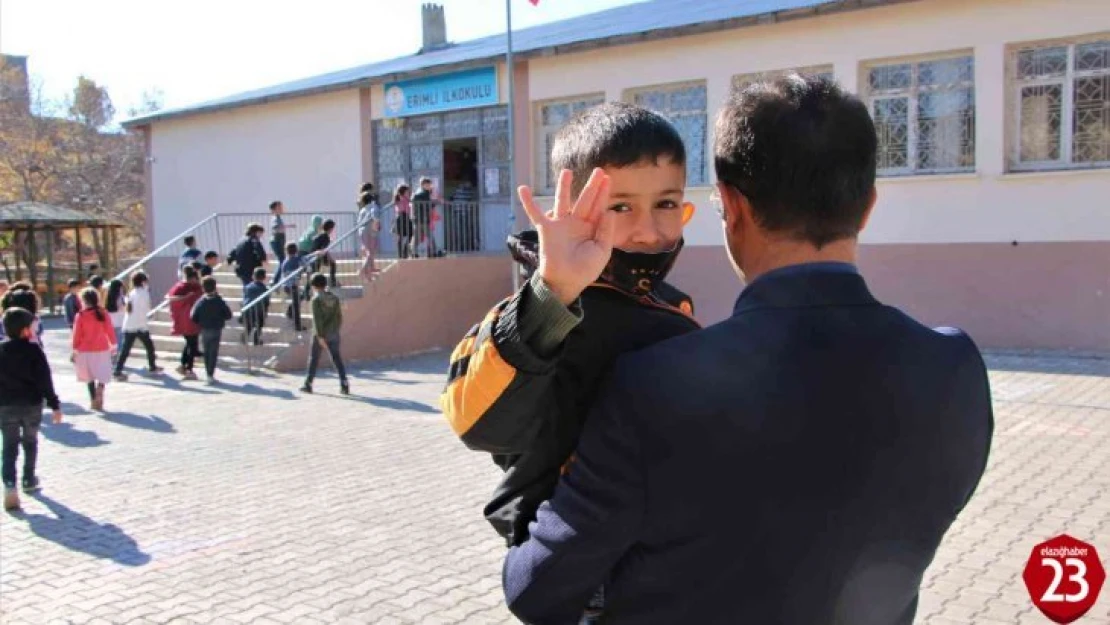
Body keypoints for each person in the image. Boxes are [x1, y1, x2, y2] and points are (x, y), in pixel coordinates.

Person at [502, 75, 995, 625]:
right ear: (868, 205)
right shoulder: (955, 371)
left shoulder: (653, 385)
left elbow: (538, 590)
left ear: (731, 206)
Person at [440, 103, 698, 621]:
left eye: (666, 202)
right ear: (571, 208)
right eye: (621, 207)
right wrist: (552, 294)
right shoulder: (540, 308)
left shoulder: (671, 304)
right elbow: (475, 422)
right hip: (585, 578)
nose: (649, 230)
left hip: (667, 563)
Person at [0, 307, 62, 511]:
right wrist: (54, 404)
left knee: (9, 446)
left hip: (6, 405)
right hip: (31, 404)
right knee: (30, 441)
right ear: (25, 330)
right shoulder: (34, 350)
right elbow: (45, 380)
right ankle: (28, 478)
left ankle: (10, 484)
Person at [300, 273, 348, 395]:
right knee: (336, 358)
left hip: (320, 333)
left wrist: (320, 336)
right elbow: (339, 316)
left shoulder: (316, 300)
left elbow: (317, 319)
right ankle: (344, 383)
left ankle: (308, 383)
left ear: (314, 286)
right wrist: (335, 329)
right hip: (333, 332)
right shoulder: (334, 298)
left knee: (314, 358)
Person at [72, 288, 117, 411]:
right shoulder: (103, 313)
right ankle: (101, 387)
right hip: (102, 348)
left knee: (89, 376)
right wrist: (113, 344)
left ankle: (93, 400)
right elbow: (110, 330)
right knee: (102, 373)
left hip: (85, 349)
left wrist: (75, 349)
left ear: (83, 300)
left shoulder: (80, 315)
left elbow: (77, 334)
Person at [113, 272, 162, 381]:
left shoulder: (132, 293)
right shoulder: (144, 293)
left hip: (129, 324)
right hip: (140, 325)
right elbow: (147, 308)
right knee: (149, 347)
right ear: (143, 282)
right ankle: (152, 367)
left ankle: (118, 370)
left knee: (125, 349)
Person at [190, 276, 232, 385]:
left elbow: (193, 316)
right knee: (213, 352)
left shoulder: (201, 301)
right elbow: (228, 315)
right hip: (216, 328)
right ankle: (210, 374)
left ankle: (208, 373)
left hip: (204, 329)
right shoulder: (219, 301)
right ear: (215, 287)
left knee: (206, 351)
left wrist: (200, 321)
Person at [166, 266, 203, 380]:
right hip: (191, 321)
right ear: (193, 278)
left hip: (181, 321)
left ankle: (183, 365)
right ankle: (189, 369)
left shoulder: (178, 287)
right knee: (192, 345)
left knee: (189, 343)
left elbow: (169, 297)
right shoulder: (194, 288)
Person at [279, 242, 306, 332]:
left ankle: (290, 311)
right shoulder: (296, 259)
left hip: (287, 285)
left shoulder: (286, 261)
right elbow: (305, 264)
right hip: (292, 286)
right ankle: (297, 325)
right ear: (296, 250)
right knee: (297, 303)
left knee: (299, 299)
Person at [241, 267, 270, 346]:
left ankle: (245, 336)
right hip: (259, 310)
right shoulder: (264, 289)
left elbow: (244, 298)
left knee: (249, 325)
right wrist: (266, 310)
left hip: (248, 309)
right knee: (259, 325)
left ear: (253, 276)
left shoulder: (247, 287)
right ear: (264, 277)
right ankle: (256, 339)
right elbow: (266, 301)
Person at [412, 177, 439, 258]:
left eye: (430, 184)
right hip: (421, 219)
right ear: (423, 185)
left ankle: (415, 252)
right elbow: (421, 204)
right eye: (427, 184)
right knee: (421, 237)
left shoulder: (427, 194)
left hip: (423, 219)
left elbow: (430, 205)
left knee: (422, 237)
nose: (430, 186)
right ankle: (415, 252)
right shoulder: (421, 194)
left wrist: (433, 202)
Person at [357, 190, 381, 280]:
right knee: (371, 252)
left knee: (368, 251)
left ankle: (371, 268)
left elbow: (359, 222)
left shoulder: (363, 209)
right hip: (369, 230)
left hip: (362, 231)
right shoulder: (373, 206)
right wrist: (375, 227)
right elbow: (375, 217)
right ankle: (362, 270)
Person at [105, 278, 126, 359]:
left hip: (110, 320)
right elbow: (121, 307)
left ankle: (110, 355)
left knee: (110, 340)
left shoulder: (108, 295)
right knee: (119, 340)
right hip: (119, 320)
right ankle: (116, 356)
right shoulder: (120, 297)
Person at [392, 185, 414, 259]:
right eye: (407, 191)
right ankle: (402, 254)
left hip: (404, 217)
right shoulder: (401, 198)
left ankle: (404, 253)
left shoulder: (404, 199)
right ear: (404, 191)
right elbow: (403, 208)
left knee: (409, 234)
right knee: (403, 236)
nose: (409, 193)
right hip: (402, 217)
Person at [268, 200, 291, 271]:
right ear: (274, 209)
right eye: (279, 207)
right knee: (282, 261)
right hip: (277, 241)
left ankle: (277, 279)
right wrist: (285, 227)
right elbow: (275, 228)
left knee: (282, 260)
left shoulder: (278, 217)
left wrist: (287, 226)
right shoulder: (275, 218)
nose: (282, 209)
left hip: (278, 241)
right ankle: (276, 280)